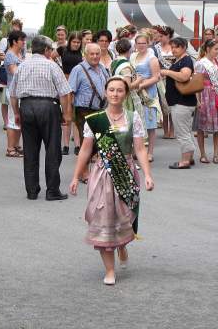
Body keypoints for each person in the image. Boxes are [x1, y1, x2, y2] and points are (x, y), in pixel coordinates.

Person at [69, 76, 154, 286]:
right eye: (111, 90)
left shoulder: (133, 117)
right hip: (101, 173)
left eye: (120, 90)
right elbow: (85, 150)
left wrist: (147, 175)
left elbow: (140, 149)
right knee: (103, 218)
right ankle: (109, 269)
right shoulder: (96, 120)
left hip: (125, 172)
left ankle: (122, 244)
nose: (115, 94)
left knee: (124, 217)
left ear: (126, 94)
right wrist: (76, 176)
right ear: (106, 92)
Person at [10, 35, 73, 201]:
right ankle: (52, 190)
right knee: (52, 149)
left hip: (26, 106)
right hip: (48, 106)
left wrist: (16, 113)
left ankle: (32, 190)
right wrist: (66, 114)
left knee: (30, 150)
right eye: (51, 49)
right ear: (46, 50)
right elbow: (64, 92)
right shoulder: (52, 65)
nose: (51, 52)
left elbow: (13, 94)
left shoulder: (22, 66)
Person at [69, 43, 110, 160]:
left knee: (103, 141)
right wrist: (68, 113)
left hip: (101, 109)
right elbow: (70, 92)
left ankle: (100, 166)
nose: (95, 56)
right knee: (87, 142)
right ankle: (84, 168)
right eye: (92, 54)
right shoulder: (78, 69)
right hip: (84, 110)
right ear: (85, 55)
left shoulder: (102, 68)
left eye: (97, 54)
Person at [161, 37, 196, 169]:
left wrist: (167, 72)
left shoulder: (185, 60)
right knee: (186, 131)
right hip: (182, 102)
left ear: (184, 47)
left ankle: (185, 160)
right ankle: (189, 157)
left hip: (182, 102)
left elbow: (184, 76)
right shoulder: (180, 60)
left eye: (176, 47)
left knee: (182, 132)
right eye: (172, 47)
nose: (173, 50)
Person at [194, 39, 218, 164]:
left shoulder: (217, 62)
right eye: (216, 49)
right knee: (201, 127)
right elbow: (197, 82)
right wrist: (197, 100)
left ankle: (216, 154)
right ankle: (202, 154)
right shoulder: (201, 63)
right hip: (204, 95)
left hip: (216, 96)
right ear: (208, 49)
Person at [130, 33, 160, 162]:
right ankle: (137, 149)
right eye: (139, 43)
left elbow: (156, 77)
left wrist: (141, 85)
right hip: (135, 91)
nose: (141, 45)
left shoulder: (152, 58)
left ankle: (150, 152)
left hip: (148, 92)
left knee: (149, 123)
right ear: (135, 44)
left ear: (148, 43)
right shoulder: (133, 56)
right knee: (136, 121)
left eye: (144, 43)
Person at [0, 20, 25, 131]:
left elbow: (22, 60)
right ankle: (7, 124)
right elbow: (15, 71)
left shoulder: (20, 51)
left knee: (17, 119)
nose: (24, 42)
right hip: (9, 84)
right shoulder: (7, 47)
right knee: (7, 104)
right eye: (14, 29)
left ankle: (14, 137)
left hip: (17, 88)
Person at [59, 32, 84, 155]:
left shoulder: (82, 54)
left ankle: (77, 145)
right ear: (70, 41)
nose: (76, 44)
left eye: (78, 42)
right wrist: (59, 71)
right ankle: (65, 145)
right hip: (65, 85)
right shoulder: (62, 49)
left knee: (75, 118)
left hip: (77, 87)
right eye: (74, 42)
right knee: (66, 116)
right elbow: (50, 57)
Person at [4, 30, 26, 158]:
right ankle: (10, 148)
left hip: (19, 91)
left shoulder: (19, 53)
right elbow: (15, 72)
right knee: (13, 120)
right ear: (14, 41)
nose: (24, 42)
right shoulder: (10, 55)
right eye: (22, 40)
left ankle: (16, 145)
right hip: (12, 91)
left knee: (19, 120)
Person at [111, 38, 144, 117]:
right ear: (129, 49)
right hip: (127, 99)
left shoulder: (114, 61)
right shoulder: (126, 66)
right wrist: (139, 79)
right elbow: (128, 86)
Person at [154, 25, 175, 139]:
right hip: (161, 79)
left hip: (173, 78)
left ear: (168, 36)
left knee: (173, 104)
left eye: (162, 36)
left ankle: (172, 131)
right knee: (163, 104)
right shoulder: (156, 48)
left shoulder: (175, 46)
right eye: (159, 36)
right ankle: (166, 131)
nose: (160, 38)